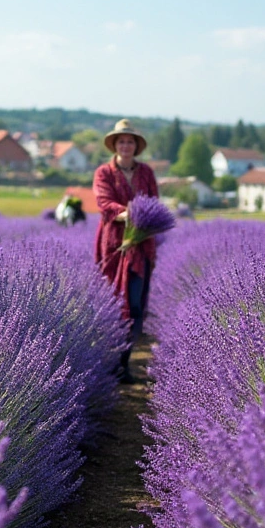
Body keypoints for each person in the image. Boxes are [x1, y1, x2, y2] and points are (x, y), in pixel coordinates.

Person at [93, 119, 158, 382]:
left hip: (141, 244)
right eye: (122, 141)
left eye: (130, 141)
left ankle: (125, 361)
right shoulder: (104, 172)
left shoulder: (146, 173)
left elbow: (154, 202)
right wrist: (129, 214)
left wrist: (142, 221)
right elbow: (103, 202)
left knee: (136, 306)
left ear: (136, 145)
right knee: (114, 305)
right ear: (115, 145)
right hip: (114, 245)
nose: (126, 145)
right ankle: (111, 361)